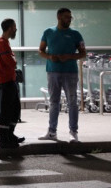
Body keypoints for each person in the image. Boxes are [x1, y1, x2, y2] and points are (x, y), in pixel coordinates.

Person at [38, 8, 86, 143]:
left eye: (70, 17)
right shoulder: (48, 32)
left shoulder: (76, 34)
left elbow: (83, 53)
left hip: (70, 72)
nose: (69, 19)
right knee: (54, 102)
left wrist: (70, 56)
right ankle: (52, 132)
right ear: (59, 17)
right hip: (53, 72)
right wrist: (49, 57)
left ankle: (73, 132)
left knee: (72, 102)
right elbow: (40, 50)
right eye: (66, 17)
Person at [0, 18, 24, 149]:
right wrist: (14, 59)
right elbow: (11, 62)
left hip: (10, 80)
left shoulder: (5, 42)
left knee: (15, 109)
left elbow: (12, 60)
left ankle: (10, 135)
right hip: (6, 81)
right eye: (14, 27)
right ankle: (4, 139)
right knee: (7, 111)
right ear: (9, 28)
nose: (16, 29)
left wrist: (13, 59)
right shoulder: (2, 43)